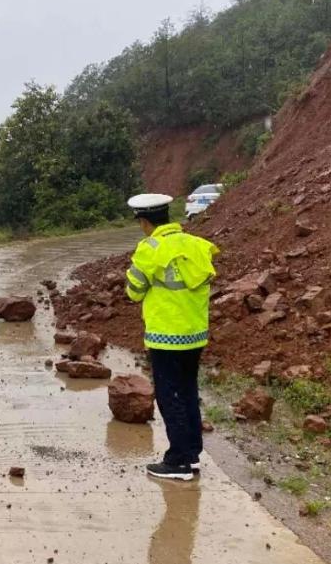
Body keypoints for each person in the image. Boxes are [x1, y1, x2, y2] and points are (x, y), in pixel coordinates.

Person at [124, 193, 219, 480]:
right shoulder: (196, 244)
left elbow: (133, 291)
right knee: (188, 391)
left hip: (166, 336)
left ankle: (177, 461)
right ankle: (191, 453)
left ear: (144, 222)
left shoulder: (149, 248)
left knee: (169, 396)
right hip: (195, 334)